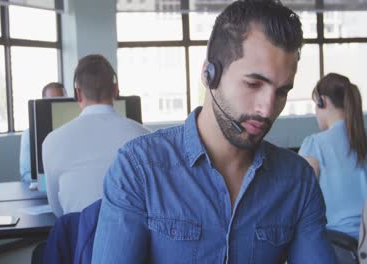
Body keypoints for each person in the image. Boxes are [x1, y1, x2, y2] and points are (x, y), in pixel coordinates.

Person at [91, 1, 336, 263]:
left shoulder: (297, 181)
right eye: (253, 84)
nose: (267, 109)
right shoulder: (139, 168)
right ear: (210, 74)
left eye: (282, 91)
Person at [42, 54, 150, 217]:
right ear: (116, 90)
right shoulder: (146, 137)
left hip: (78, 238)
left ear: (77, 93)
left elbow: (57, 210)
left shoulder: (51, 141)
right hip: (132, 240)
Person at [299, 73, 367, 239]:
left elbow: (300, 202)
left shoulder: (314, 144)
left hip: (338, 244)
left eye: (316, 105)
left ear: (322, 101)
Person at [19, 82, 66, 184]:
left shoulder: (72, 132)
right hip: (43, 189)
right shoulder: (29, 135)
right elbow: (26, 174)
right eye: (51, 101)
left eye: (61, 100)